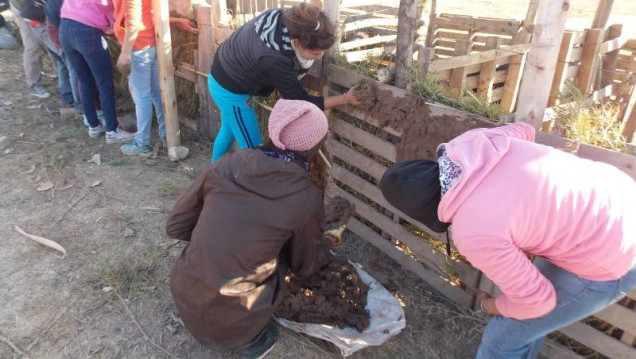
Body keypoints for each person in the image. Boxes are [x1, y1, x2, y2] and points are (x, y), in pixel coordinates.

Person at [379, 122, 636, 359]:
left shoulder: (473, 231)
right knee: (524, 319)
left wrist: (488, 304)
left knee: (500, 340)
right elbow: (525, 129)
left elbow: (538, 303)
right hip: (616, 197)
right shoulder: (472, 144)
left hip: (613, 251)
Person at [167, 100, 343, 358]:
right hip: (236, 328)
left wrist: (222, 237)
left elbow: (176, 225)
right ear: (316, 147)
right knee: (281, 254)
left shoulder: (227, 164)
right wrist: (328, 241)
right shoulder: (306, 196)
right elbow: (304, 266)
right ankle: (255, 342)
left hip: (185, 296)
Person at [209, 3, 359, 162]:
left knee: (228, 131)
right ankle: (234, 183)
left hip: (224, 68)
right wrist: (345, 99)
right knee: (254, 156)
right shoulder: (276, 58)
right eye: (315, 52)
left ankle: (211, 179)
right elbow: (300, 100)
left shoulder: (288, 21)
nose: (321, 56)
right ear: (298, 43)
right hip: (230, 87)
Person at [113, 0, 197, 156]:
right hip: (149, 43)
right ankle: (166, 134)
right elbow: (150, 13)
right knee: (155, 94)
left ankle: (142, 143)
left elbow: (133, 20)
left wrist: (125, 52)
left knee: (142, 97)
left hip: (138, 48)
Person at [59, 0, 135, 143]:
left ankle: (93, 126)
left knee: (84, 81)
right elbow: (119, 14)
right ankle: (113, 130)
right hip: (86, 32)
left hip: (64, 28)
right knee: (104, 84)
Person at [9, 0, 51, 98]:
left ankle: (64, 82)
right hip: (24, 9)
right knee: (33, 46)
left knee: (53, 42)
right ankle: (34, 84)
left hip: (44, 6)